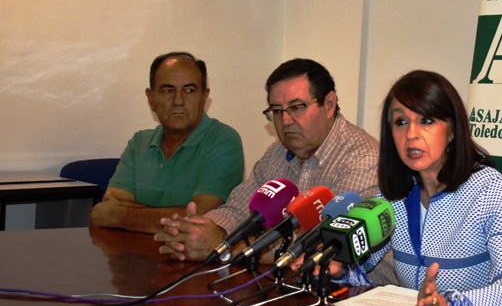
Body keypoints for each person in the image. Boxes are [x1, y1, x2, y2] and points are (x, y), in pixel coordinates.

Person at [334, 70, 502, 306]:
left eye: (426, 120)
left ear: (452, 130)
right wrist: (337, 269)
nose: (411, 135)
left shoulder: (486, 188)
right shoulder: (390, 199)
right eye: (400, 122)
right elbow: (360, 269)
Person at [154, 58, 381, 264]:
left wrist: (224, 246)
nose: (285, 120)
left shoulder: (363, 159)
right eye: (276, 110)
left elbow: (324, 248)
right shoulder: (278, 151)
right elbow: (237, 209)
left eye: (297, 107)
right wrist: (197, 231)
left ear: (329, 104)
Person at [90, 51, 245, 234]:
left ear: (204, 97)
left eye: (189, 90)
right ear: (151, 98)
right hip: (130, 258)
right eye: (168, 90)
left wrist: (120, 216)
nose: (178, 101)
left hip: (192, 260)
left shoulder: (223, 140)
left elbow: (199, 220)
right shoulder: (139, 142)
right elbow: (111, 204)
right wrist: (173, 215)